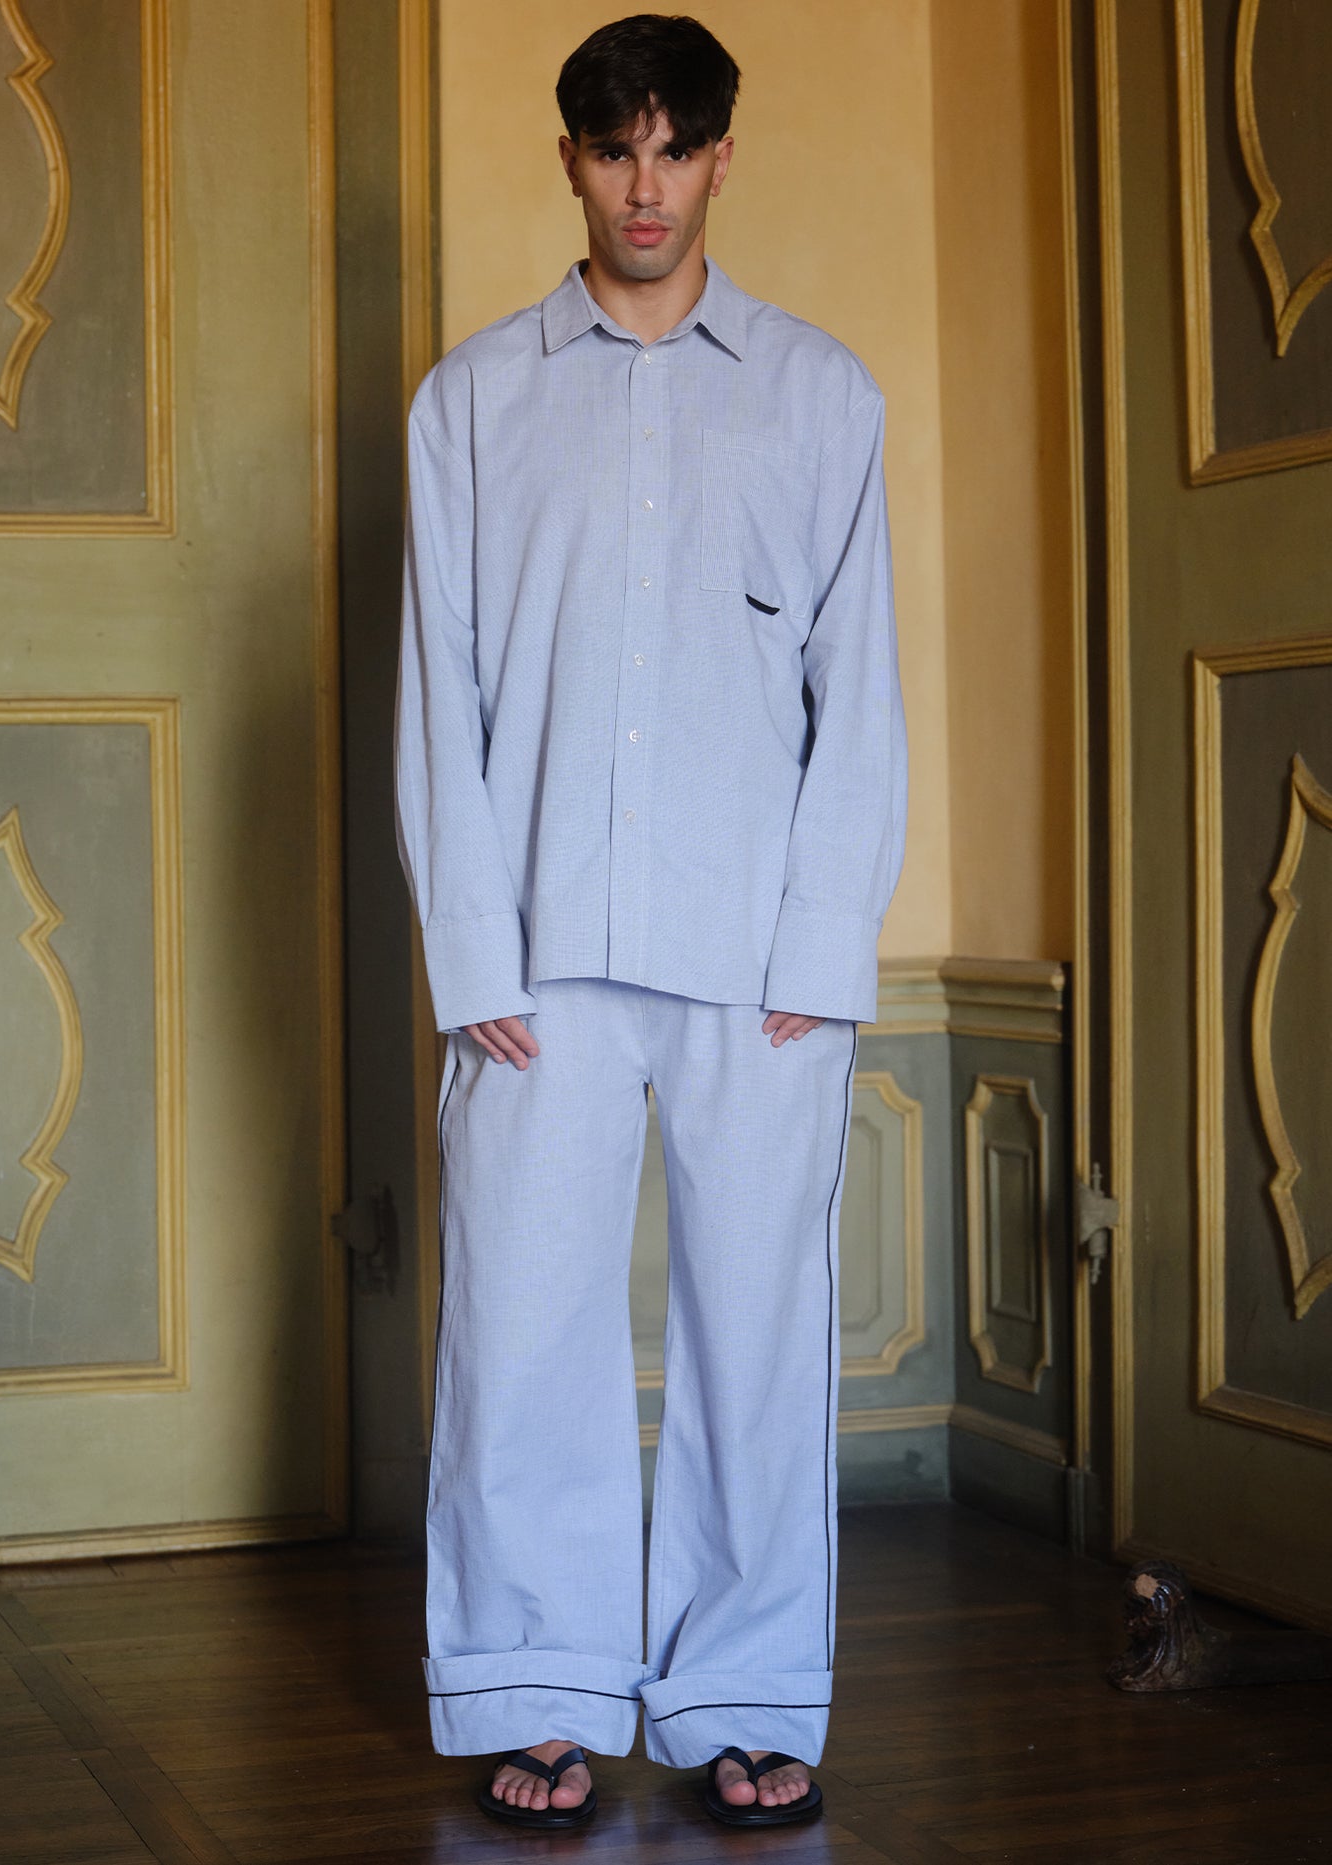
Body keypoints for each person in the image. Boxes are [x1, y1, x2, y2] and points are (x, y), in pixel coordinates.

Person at [393, 10, 908, 1834]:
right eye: (615, 148)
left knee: (755, 1340)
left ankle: (746, 1694)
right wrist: (473, 951)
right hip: (535, 964)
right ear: (571, 160)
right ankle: (535, 1688)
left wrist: (821, 949)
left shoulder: (822, 397)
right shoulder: (469, 404)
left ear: (719, 160)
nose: (644, 184)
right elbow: (439, 693)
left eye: (675, 148)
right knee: (519, 1335)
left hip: (757, 967)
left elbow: (861, 699)